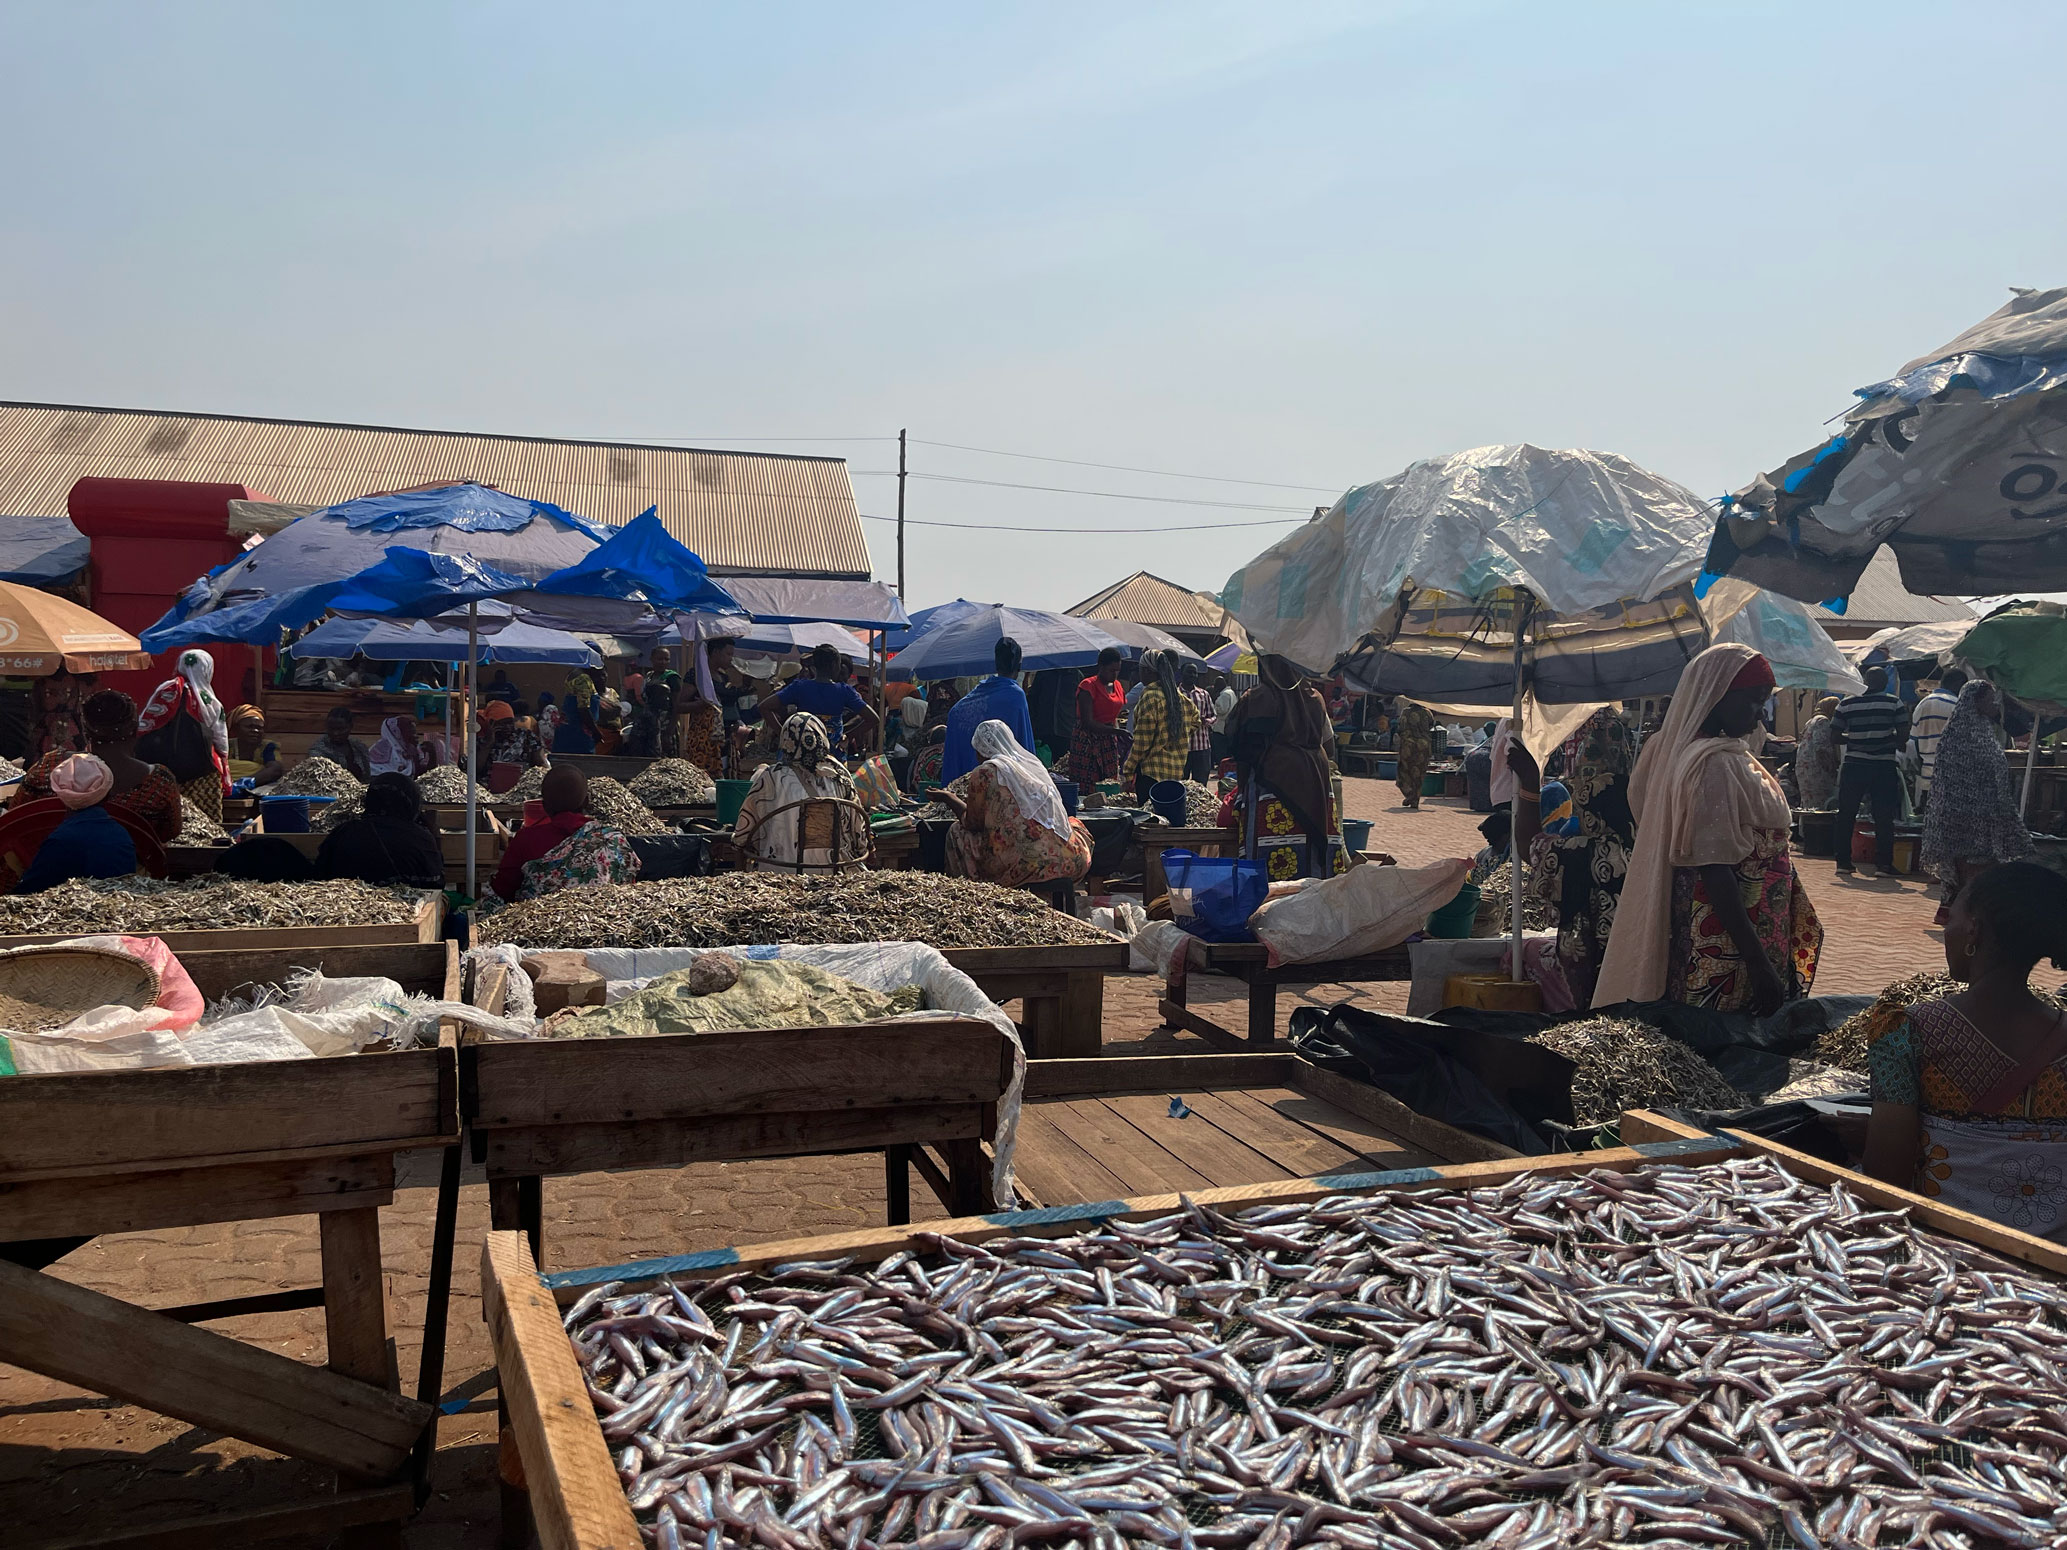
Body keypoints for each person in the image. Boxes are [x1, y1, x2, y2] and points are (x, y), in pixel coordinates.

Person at [1592, 645, 1821, 1015]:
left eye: (1763, 702)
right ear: (1716, 696)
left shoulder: (1679, 750)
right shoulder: (1712, 764)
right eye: (1751, 701)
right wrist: (1757, 962)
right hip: (1731, 936)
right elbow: (1715, 869)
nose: (1760, 714)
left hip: (1730, 924)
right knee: (1731, 1031)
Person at [1862, 862, 2067, 1240]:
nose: (1946, 928)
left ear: (1973, 927)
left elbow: (1885, 1181)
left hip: (1946, 1257)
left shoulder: (1906, 1030)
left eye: (1950, 915)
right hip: (2050, 1264)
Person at [1506, 706, 1637, 1009]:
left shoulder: (1581, 852)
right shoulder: (1648, 842)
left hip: (1600, 989)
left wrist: (1529, 783)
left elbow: (1529, 844)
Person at [1920, 679, 2037, 911]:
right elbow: (1948, 782)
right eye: (1989, 699)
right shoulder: (1957, 735)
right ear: (1974, 700)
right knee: (1970, 869)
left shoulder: (1985, 730)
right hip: (1963, 818)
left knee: (1988, 866)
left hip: (1989, 815)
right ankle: (1965, 912)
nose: (1994, 704)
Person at [13, 690, 185, 845]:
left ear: (85, 731)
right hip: (124, 874)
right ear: (133, 730)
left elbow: (17, 814)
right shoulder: (158, 783)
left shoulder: (49, 767)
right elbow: (168, 833)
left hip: (46, 870)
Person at [938, 719, 1093, 887]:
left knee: (956, 832)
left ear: (982, 749)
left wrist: (949, 798)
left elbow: (972, 823)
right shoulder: (1032, 766)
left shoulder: (984, 773)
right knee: (1072, 823)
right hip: (1068, 859)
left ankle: (970, 892)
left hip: (1023, 865)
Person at [1224, 653, 1337, 876]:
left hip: (1273, 782)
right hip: (1316, 782)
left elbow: (1241, 749)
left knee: (1268, 859)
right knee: (1311, 851)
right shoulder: (1315, 698)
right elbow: (1330, 746)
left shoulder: (1257, 698)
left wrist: (1242, 792)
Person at [731, 713, 870, 871]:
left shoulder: (772, 776)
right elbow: (858, 830)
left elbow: (744, 834)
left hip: (779, 871)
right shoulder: (839, 774)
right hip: (835, 869)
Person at [490, 766, 640, 901]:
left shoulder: (526, 839)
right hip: (604, 923)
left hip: (538, 925)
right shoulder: (613, 840)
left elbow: (503, 889)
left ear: (544, 805)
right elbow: (627, 888)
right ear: (586, 802)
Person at [17, 754, 140, 893]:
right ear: (108, 794)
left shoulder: (60, 841)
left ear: (62, 795)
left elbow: (29, 890)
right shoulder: (121, 836)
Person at [1832, 665, 1909, 878]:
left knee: (1846, 813)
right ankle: (1883, 864)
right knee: (1884, 815)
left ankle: (1843, 862)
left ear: (1865, 682)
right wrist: (1884, 740)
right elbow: (1903, 735)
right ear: (1885, 683)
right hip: (1883, 765)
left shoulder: (1846, 703)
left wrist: (1857, 740)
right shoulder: (1894, 702)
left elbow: (1835, 736)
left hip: (1854, 764)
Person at [137, 648, 230, 820]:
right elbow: (221, 741)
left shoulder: (167, 690)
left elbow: (144, 724)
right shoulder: (211, 701)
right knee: (205, 823)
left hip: (163, 773)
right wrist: (225, 772)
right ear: (207, 669)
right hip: (203, 775)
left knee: (165, 820)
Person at [314, 771, 446, 889]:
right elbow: (436, 884)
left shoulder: (343, 832)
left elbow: (320, 877)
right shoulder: (420, 838)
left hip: (344, 908)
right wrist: (435, 835)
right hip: (404, 911)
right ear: (412, 803)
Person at [942, 639, 1035, 784]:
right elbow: (1023, 742)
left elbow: (955, 713)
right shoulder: (1015, 695)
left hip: (968, 780)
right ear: (1019, 666)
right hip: (1002, 782)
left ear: (996, 664)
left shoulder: (981, 692)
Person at [1121, 649, 1199, 802]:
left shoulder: (1150, 696)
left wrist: (1128, 770)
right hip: (1175, 773)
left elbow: (1141, 744)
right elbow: (1196, 720)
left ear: (1147, 671)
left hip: (1151, 774)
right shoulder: (1181, 698)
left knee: (1151, 821)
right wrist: (1175, 735)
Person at [1067, 647, 1129, 787]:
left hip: (1108, 739)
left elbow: (1114, 716)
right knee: (1088, 783)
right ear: (1101, 667)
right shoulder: (1088, 686)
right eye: (1111, 670)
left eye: (1117, 671)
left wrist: (1116, 733)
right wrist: (1116, 732)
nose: (1114, 674)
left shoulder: (1117, 686)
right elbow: (1087, 722)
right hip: (1087, 740)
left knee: (1109, 781)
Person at [677, 638, 737, 776]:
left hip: (724, 738)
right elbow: (680, 706)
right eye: (728, 654)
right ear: (715, 652)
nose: (731, 659)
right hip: (702, 738)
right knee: (702, 778)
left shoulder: (723, 678)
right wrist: (701, 704)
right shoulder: (697, 675)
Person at [1907, 668, 1968, 804]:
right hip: (1952, 777)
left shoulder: (1922, 704)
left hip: (1927, 776)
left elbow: (1913, 743)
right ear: (1958, 684)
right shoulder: (1957, 705)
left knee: (1928, 818)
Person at [26, 668, 91, 764]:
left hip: (69, 727)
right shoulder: (44, 682)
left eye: (67, 692)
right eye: (51, 693)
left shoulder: (72, 682)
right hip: (48, 728)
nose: (61, 698)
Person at [1794, 695, 1842, 811]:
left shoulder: (1811, 721)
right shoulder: (1823, 721)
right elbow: (1821, 749)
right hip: (1817, 770)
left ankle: (1806, 828)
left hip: (1804, 769)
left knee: (1808, 806)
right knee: (1820, 807)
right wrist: (1832, 769)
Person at [224, 704, 286, 785]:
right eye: (250, 727)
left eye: (259, 727)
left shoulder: (267, 747)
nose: (255, 731)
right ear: (236, 728)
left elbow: (275, 770)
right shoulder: (226, 746)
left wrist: (250, 781)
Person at [308, 706, 372, 781]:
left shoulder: (359, 747)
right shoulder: (318, 751)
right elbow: (321, 781)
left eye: (341, 729)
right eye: (331, 729)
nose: (335, 733)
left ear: (350, 727)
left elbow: (367, 776)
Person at [369, 714, 441, 778]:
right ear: (398, 733)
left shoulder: (410, 750)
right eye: (411, 733)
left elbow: (424, 776)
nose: (416, 737)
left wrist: (432, 754)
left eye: (415, 733)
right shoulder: (383, 750)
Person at [1394, 701, 1434, 809]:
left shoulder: (1405, 712)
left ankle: (1410, 795)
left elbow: (1400, 727)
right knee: (1419, 774)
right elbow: (1431, 725)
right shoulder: (1427, 712)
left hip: (1408, 746)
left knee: (1404, 770)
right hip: (1424, 746)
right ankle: (1415, 799)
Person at [1180, 663, 1216, 782]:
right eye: (1189, 672)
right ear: (1182, 673)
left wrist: (1207, 721)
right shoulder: (1175, 694)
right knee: (1180, 784)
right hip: (1181, 748)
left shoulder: (1204, 694)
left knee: (1201, 785)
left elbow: (1213, 715)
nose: (1192, 675)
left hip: (1202, 747)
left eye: (1195, 673)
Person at [643, 649, 681, 756]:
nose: (663, 662)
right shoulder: (649, 677)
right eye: (659, 659)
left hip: (666, 724)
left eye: (666, 659)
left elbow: (676, 706)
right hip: (650, 724)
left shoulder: (672, 678)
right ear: (651, 659)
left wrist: (669, 731)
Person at [1209, 671, 1239, 764]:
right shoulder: (1231, 692)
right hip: (1229, 726)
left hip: (1221, 727)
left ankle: (1221, 770)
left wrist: (1214, 707)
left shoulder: (1224, 694)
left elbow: (1222, 710)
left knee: (1220, 751)